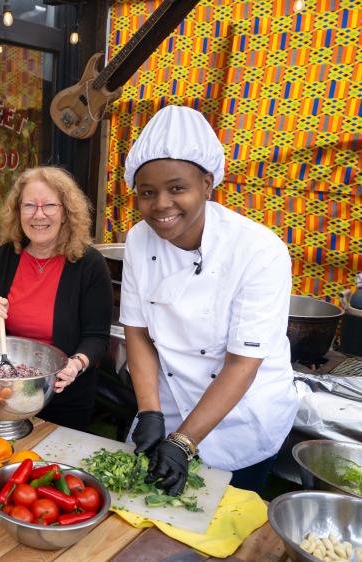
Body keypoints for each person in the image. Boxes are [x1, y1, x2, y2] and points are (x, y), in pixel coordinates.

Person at [120, 105, 297, 496]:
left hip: (242, 416)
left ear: (207, 183)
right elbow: (138, 333)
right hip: (169, 400)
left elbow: (242, 363)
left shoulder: (259, 250)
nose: (161, 204)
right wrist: (149, 411)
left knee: (221, 523)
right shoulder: (137, 240)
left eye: (177, 188)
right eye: (147, 193)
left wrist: (183, 442)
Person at [0, 166, 113, 430]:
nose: (39, 215)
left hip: (63, 393)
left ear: (65, 212)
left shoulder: (88, 263)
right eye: (29, 206)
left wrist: (76, 364)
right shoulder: (6, 256)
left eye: (49, 205)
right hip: (8, 390)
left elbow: (97, 337)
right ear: (18, 212)